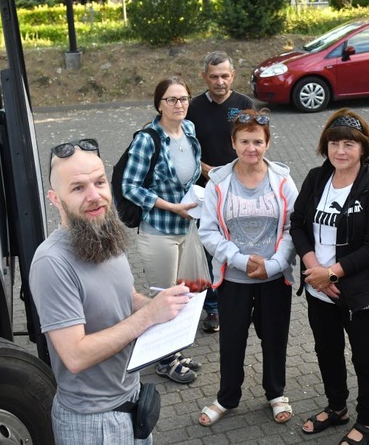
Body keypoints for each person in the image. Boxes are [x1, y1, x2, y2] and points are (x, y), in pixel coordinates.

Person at [30, 139, 193, 444]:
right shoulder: (52, 262)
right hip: (93, 425)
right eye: (78, 188)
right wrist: (149, 317)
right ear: (55, 198)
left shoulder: (103, 233)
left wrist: (165, 307)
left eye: (100, 182)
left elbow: (128, 298)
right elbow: (75, 355)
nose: (95, 196)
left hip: (132, 401)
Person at [290, 109, 369, 445]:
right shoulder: (316, 178)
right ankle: (337, 408)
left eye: (349, 144)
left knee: (365, 356)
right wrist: (313, 268)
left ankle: (368, 422)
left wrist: (332, 274)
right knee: (327, 350)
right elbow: (297, 224)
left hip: (360, 290)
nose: (340, 151)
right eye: (334, 143)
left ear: (363, 148)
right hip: (319, 288)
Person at [196, 109, 298, 426]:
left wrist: (276, 264)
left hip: (274, 278)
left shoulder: (282, 180)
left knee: (274, 339)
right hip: (233, 280)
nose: (250, 148)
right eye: (244, 141)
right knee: (232, 343)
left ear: (267, 143)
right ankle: (227, 397)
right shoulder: (218, 182)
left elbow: (294, 228)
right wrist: (241, 260)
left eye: (257, 141)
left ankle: (276, 393)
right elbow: (208, 231)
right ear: (233, 142)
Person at [121, 76, 202, 384]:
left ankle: (174, 352)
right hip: (158, 230)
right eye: (171, 100)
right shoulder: (147, 139)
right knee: (163, 296)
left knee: (181, 292)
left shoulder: (189, 130)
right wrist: (171, 206)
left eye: (183, 99)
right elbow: (130, 186)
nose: (179, 105)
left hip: (185, 226)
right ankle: (163, 360)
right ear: (159, 105)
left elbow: (188, 173)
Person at [188, 51, 255, 333]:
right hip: (204, 190)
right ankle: (213, 308)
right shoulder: (192, 108)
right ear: (204, 77)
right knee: (209, 248)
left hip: (238, 187)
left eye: (225, 76)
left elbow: (254, 141)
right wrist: (203, 168)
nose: (219, 82)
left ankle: (242, 300)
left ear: (233, 76)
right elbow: (185, 147)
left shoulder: (244, 104)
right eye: (214, 76)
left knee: (239, 243)